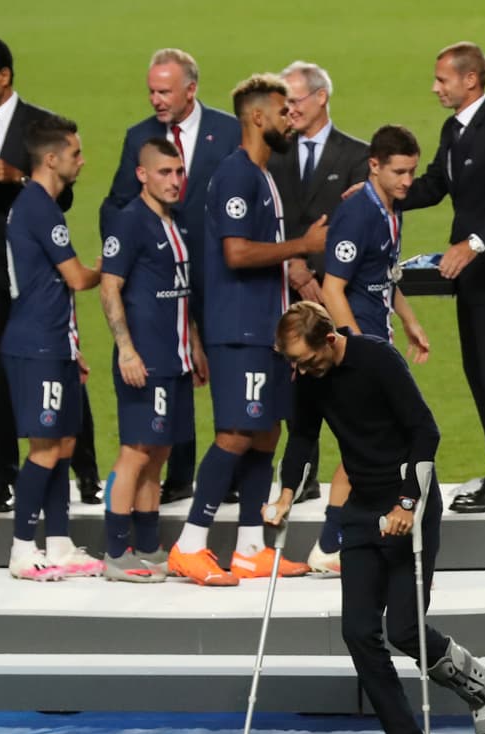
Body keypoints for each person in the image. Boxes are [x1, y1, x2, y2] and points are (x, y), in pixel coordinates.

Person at [268, 301, 485, 734]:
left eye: (304, 359)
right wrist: (284, 497)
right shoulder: (308, 379)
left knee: (404, 629)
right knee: (358, 630)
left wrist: (407, 504)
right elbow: (301, 439)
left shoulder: (377, 359)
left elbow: (425, 431)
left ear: (328, 340)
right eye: (293, 363)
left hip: (411, 503)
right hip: (362, 509)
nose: (299, 370)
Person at [166, 73, 322, 586]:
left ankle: (251, 546)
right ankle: (190, 544)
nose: (289, 119)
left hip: (265, 331)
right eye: (282, 111)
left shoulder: (261, 175)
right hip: (240, 329)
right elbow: (236, 253)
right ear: (257, 116)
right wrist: (300, 246)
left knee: (264, 433)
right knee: (236, 433)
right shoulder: (237, 175)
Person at [0, 37, 101, 512]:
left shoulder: (41, 128)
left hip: (34, 275)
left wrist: (19, 178)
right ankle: (0, 476)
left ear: (5, 75)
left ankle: (84, 473)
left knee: (63, 380)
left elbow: (61, 196)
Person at [99, 48, 241, 505]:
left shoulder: (227, 131)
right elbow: (117, 202)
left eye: (164, 91)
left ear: (190, 90)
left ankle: (226, 472)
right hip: (160, 276)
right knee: (161, 379)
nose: (156, 99)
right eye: (152, 91)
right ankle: (176, 481)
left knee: (214, 372)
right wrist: (127, 253)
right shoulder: (138, 136)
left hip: (217, 274)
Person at [291, 124, 430, 574]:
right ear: (374, 166)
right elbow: (333, 288)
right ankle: (330, 544)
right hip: (360, 347)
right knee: (361, 447)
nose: (408, 180)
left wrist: (409, 323)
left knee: (368, 447)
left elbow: (386, 276)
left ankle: (336, 542)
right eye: (399, 172)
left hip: (376, 342)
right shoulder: (358, 214)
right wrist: (357, 347)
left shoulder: (391, 208)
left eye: (412, 171)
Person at [402, 41, 485, 514]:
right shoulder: (456, 129)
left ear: (470, 80)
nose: (436, 87)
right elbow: (437, 184)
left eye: (443, 79)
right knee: (479, 374)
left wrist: (472, 244)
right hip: (475, 280)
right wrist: (389, 192)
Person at [1, 114, 104, 580]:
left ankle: (59, 544)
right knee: (45, 449)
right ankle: (23, 549)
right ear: (51, 158)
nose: (81, 161)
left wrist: (72, 345)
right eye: (76, 154)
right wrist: (114, 262)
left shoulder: (39, 205)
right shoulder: (39, 207)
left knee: (63, 444)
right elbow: (78, 278)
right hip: (36, 345)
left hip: (54, 343)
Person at [99, 138, 205, 581]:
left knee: (159, 453)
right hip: (145, 359)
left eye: (178, 172)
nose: (175, 180)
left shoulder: (175, 223)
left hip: (176, 358)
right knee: (135, 452)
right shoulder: (129, 223)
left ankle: (146, 544)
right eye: (164, 172)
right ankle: (114, 552)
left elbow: (181, 295)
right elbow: (109, 287)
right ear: (142, 175)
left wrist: (195, 346)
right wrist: (126, 349)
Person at [268, 60, 369, 508]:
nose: (287, 110)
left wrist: (319, 273)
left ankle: (352, 474)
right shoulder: (273, 156)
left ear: (321, 97)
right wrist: (295, 263)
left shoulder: (355, 156)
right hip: (285, 284)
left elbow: (355, 227)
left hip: (336, 289)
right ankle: (300, 475)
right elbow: (268, 219)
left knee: (342, 383)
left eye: (294, 101)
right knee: (293, 383)